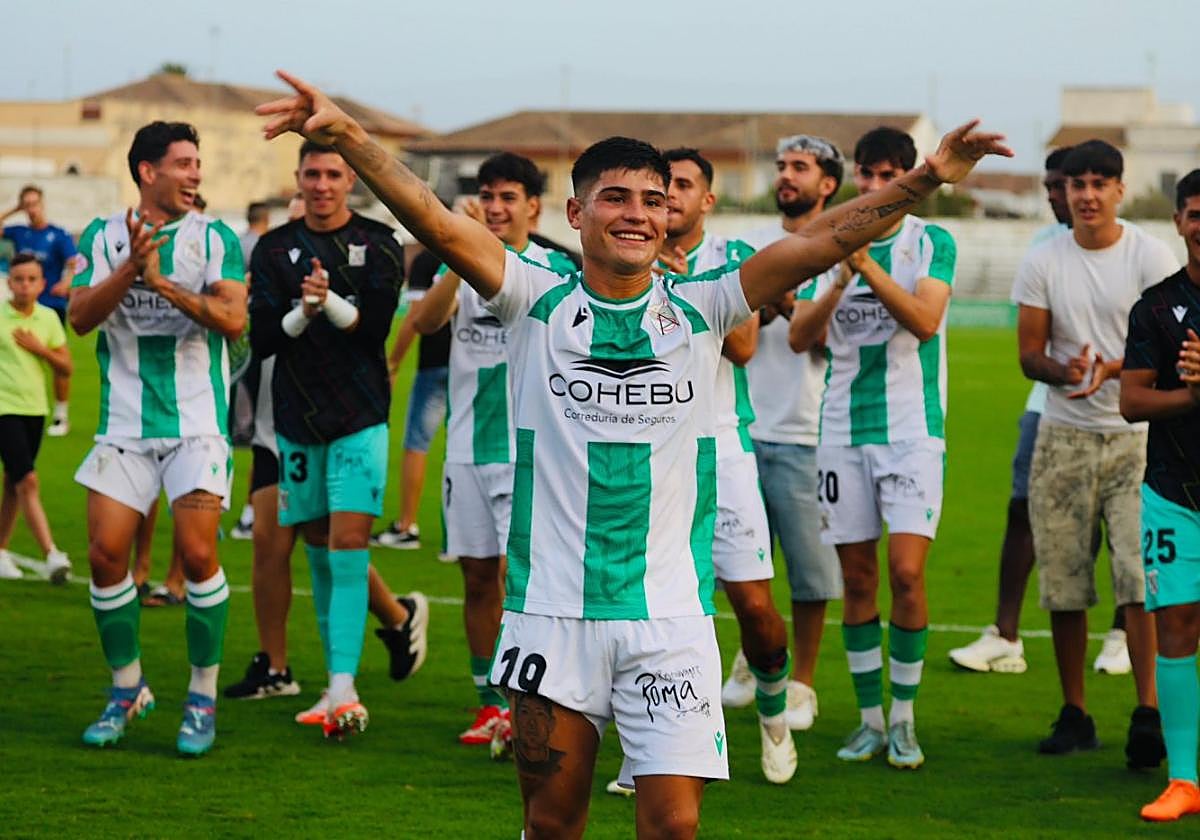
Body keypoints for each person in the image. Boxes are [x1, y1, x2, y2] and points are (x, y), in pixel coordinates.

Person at [256, 69, 1008, 837]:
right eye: (616, 197)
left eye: (654, 199)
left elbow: (820, 241)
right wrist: (350, 137)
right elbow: (441, 226)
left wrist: (927, 179)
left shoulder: (705, 304)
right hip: (552, 614)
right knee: (553, 823)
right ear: (578, 211)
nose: (638, 214)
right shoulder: (533, 295)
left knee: (675, 828)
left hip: (671, 620)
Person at [70, 121, 248, 755]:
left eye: (198, 162)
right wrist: (130, 273)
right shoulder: (101, 236)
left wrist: (165, 283)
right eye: (184, 163)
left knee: (198, 556)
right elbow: (80, 316)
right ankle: (128, 688)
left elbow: (233, 318)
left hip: (197, 427)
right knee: (104, 556)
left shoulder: (215, 238)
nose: (196, 172)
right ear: (148, 172)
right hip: (123, 426)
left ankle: (201, 697)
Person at [229, 153, 427, 703]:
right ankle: (327, 672)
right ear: (297, 178)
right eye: (312, 174)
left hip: (360, 417)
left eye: (333, 174)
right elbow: (265, 340)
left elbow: (375, 333)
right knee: (316, 545)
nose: (321, 185)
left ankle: (342, 687)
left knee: (347, 542)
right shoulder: (273, 249)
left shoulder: (380, 242)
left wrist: (330, 302)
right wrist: (303, 312)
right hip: (294, 423)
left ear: (350, 182)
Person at [788, 127, 958, 769]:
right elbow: (800, 337)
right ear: (855, 178)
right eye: (867, 174)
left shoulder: (930, 241)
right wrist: (836, 280)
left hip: (913, 433)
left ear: (909, 179)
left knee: (907, 575)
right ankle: (868, 720)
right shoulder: (831, 243)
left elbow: (924, 321)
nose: (876, 186)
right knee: (856, 579)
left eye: (890, 174)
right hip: (840, 434)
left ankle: (906, 719)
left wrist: (865, 269)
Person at [1013, 139, 1177, 763]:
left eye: (1099, 184)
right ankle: (1075, 711)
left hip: (1137, 439)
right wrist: (1066, 371)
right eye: (1076, 184)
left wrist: (1113, 369)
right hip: (1063, 435)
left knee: (1138, 581)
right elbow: (1029, 353)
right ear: (1064, 190)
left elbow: (1165, 339)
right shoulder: (1044, 260)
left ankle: (1148, 711)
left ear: (1119, 190)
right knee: (1064, 583)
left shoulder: (1148, 254)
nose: (1086, 195)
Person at [410, 152, 575, 749]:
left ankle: (531, 700)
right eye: (489, 196)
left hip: (528, 454)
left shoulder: (556, 268)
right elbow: (426, 323)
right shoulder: (459, 261)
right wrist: (458, 259)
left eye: (509, 197)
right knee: (478, 578)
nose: (497, 208)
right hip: (466, 452)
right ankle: (488, 703)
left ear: (534, 205)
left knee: (520, 580)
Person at [950, 146, 1130, 675]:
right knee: (1021, 509)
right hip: (1050, 404)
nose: (1060, 195)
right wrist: (1063, 368)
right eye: (1055, 186)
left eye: (1066, 184)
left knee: (1118, 522)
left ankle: (1120, 633)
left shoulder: (1133, 250)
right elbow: (1033, 344)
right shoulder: (1041, 246)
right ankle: (1005, 634)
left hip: (1122, 412)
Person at [657, 146, 797, 784]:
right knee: (658, 609)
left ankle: (773, 711)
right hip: (653, 454)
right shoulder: (623, 257)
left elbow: (742, 347)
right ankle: (660, 751)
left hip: (722, 447)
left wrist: (680, 284)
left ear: (707, 200)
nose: (671, 196)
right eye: (662, 186)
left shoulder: (731, 261)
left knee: (754, 608)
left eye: (684, 185)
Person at [731, 135, 846, 736]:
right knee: (742, 563)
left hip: (807, 431)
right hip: (744, 427)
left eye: (800, 167)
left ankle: (801, 681)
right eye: (781, 166)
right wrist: (773, 300)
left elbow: (819, 336)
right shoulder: (750, 247)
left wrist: (786, 302)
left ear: (828, 184)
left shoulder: (836, 253)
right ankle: (755, 655)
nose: (786, 176)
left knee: (807, 570)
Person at [1121, 169, 1200, 821]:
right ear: (1178, 222)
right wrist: (1193, 395)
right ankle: (1184, 780)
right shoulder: (1155, 304)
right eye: (1195, 213)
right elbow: (1130, 400)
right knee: (1175, 624)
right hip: (1173, 492)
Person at [373, 246, 450, 551]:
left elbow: (415, 317)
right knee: (468, 450)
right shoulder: (487, 249)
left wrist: (394, 362)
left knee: (417, 443)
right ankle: (463, 538)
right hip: (482, 366)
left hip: (435, 363)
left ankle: (407, 525)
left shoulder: (428, 259)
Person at [0, 254, 72, 581]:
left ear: (42, 284)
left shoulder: (48, 319)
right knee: (27, 481)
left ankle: (0, 551)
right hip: (5, 408)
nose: (24, 286)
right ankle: (51, 554)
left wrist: (38, 348)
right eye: (18, 279)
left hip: (35, 409)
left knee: (14, 485)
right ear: (8, 282)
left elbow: (66, 367)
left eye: (31, 279)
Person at [2, 186, 79, 437]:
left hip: (49, 305)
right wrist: (14, 209)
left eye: (34, 204)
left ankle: (60, 414)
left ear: (42, 204)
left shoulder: (57, 235)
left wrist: (66, 283)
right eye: (27, 205)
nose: (31, 209)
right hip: (19, 307)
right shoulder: (20, 233)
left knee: (57, 359)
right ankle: (17, 407)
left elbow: (73, 263)